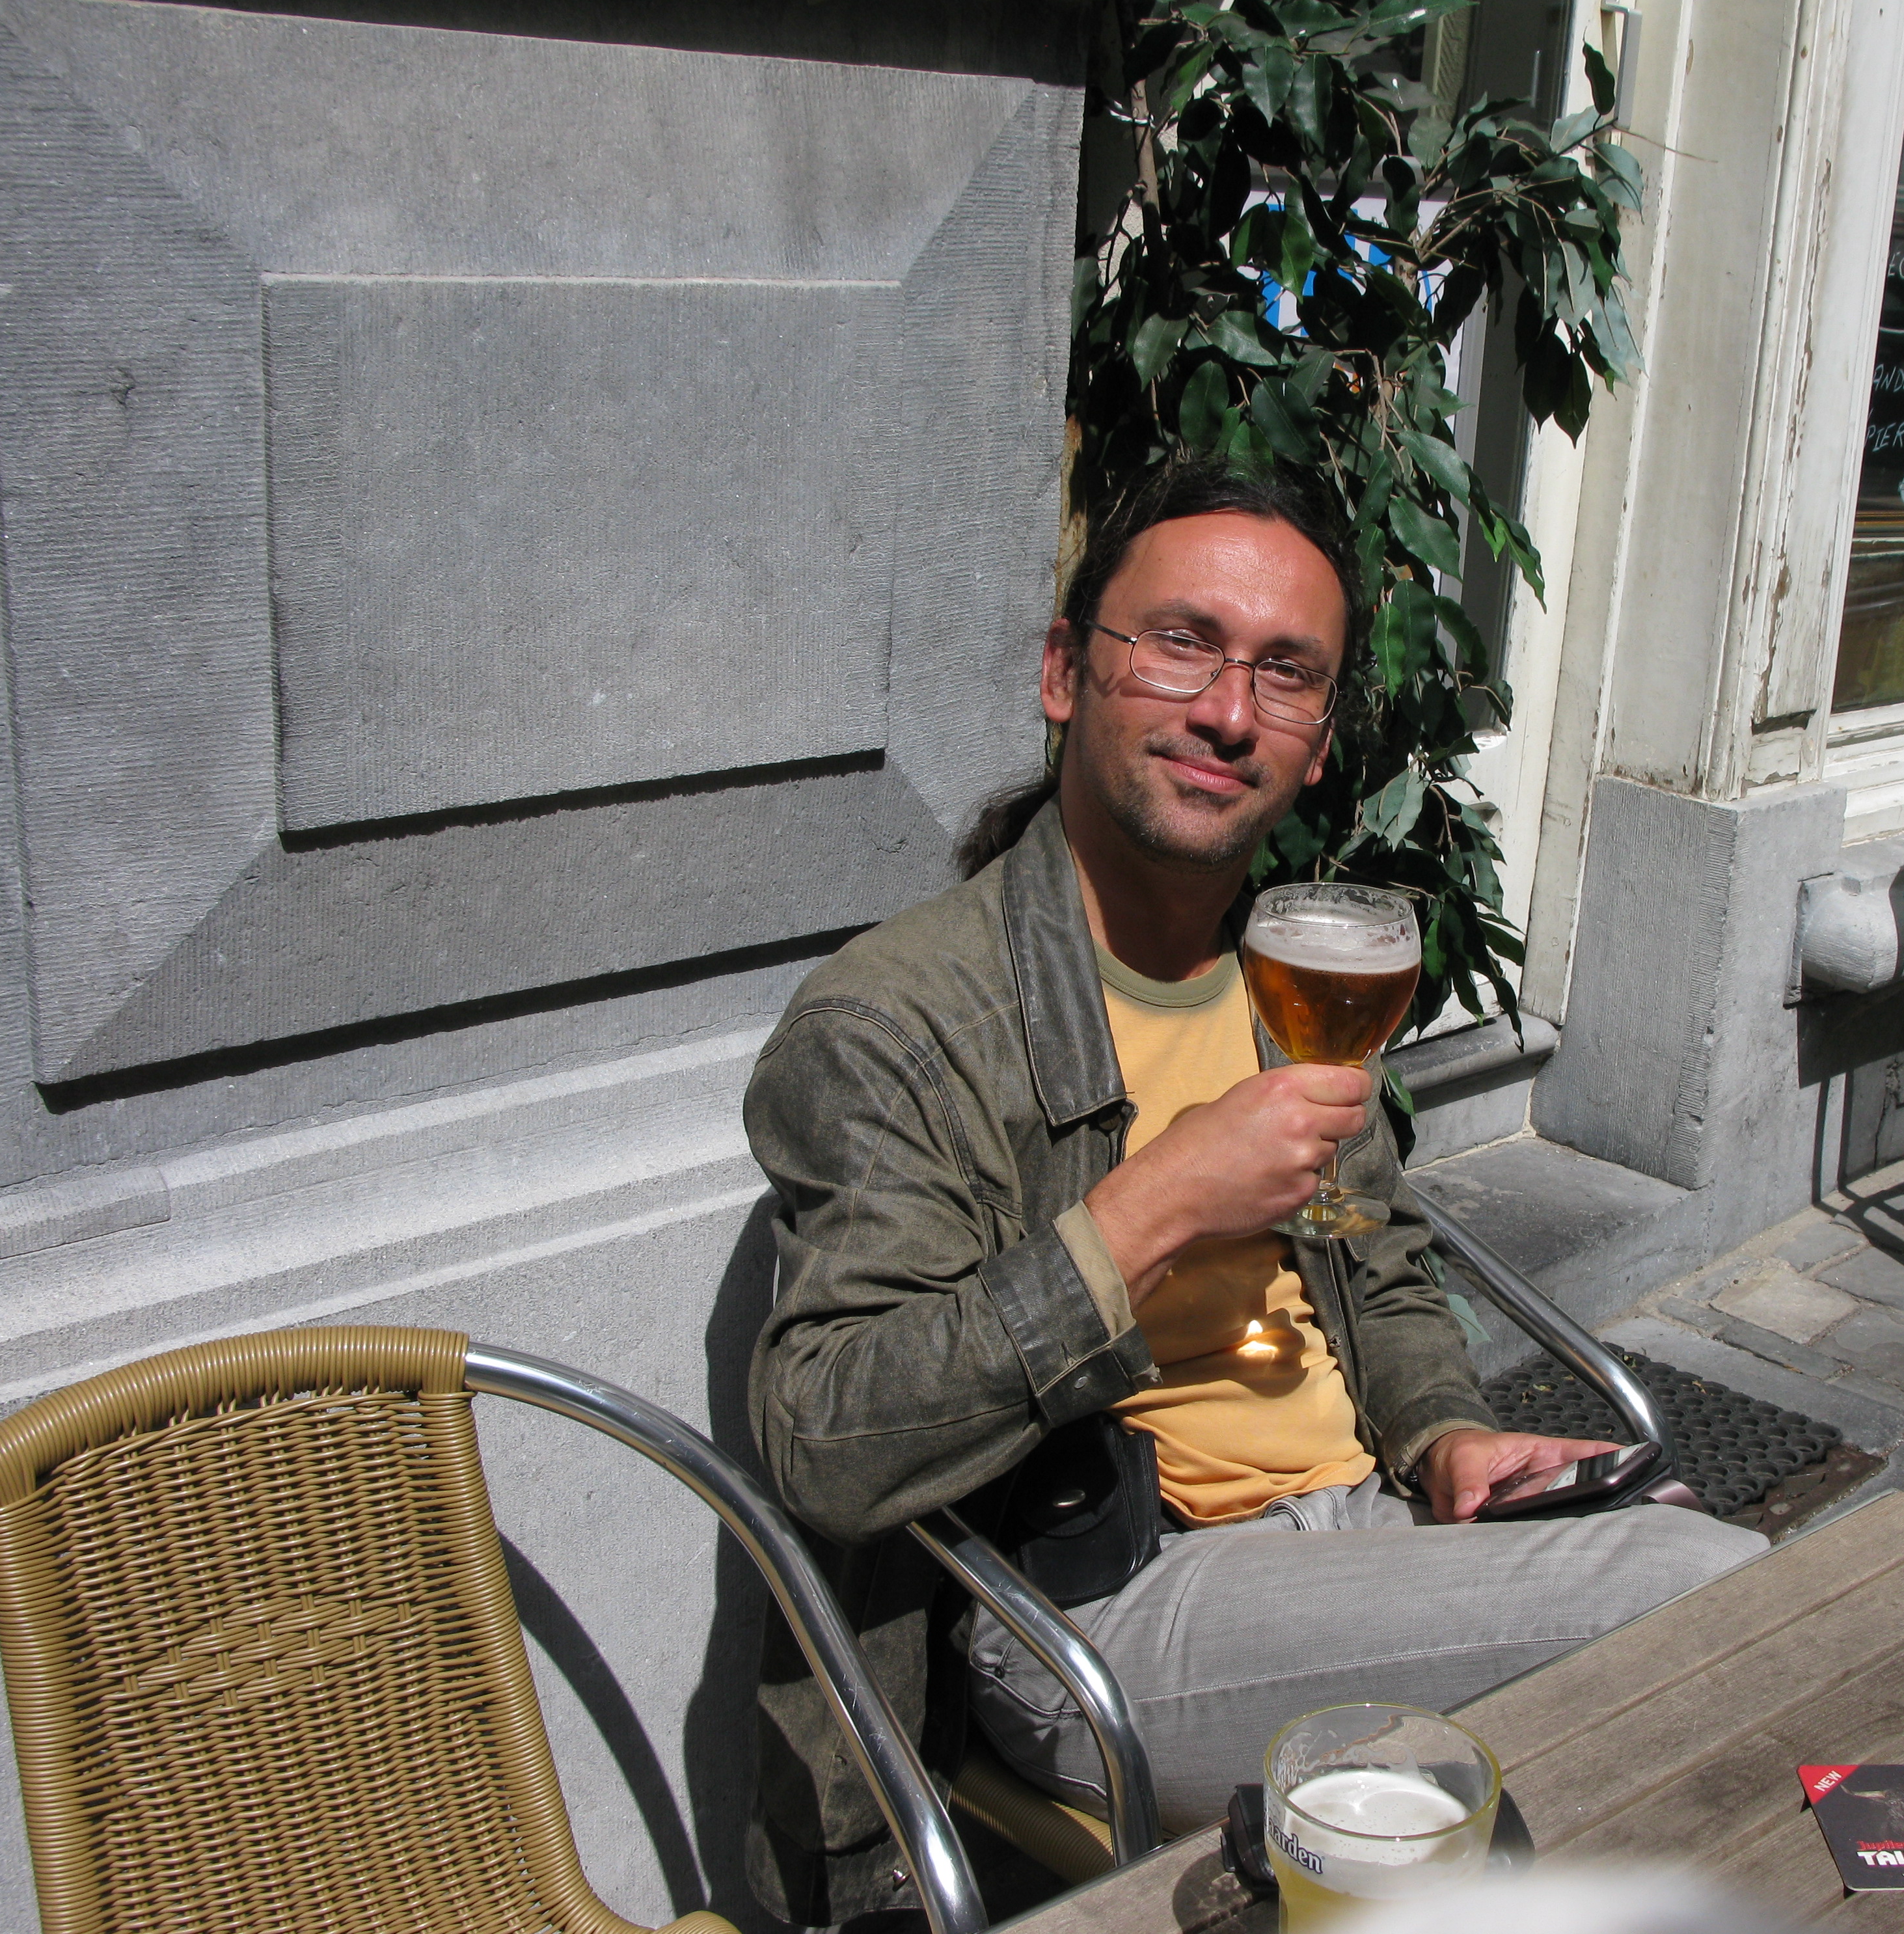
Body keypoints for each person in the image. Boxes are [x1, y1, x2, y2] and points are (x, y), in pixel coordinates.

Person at [741, 459, 1768, 1927]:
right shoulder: (896, 1023)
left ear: (1318, 743)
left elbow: (1382, 1262)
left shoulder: (1293, 965)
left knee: (1665, 1568)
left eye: (1285, 674)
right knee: (1697, 1593)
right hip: (1105, 1597)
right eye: (1180, 643)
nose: (1229, 711)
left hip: (1361, 1528)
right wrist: (1155, 1204)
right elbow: (828, 1441)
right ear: (1063, 673)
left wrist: (1445, 1434)